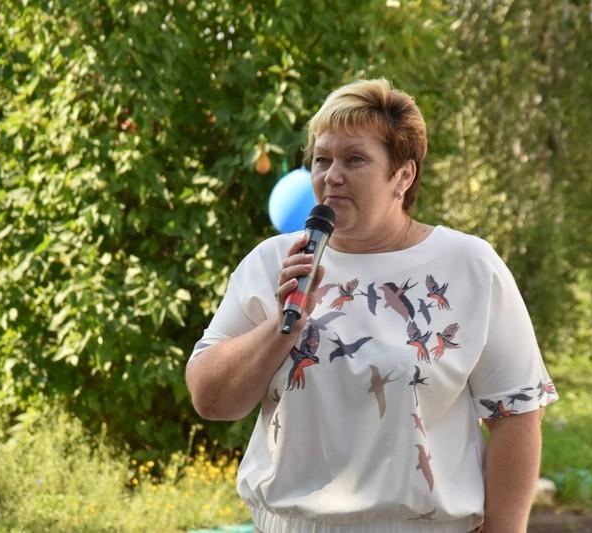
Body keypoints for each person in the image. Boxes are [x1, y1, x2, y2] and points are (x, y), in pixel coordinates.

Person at [185, 78, 558, 533]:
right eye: (322, 159)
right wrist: (283, 325)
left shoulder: (470, 266)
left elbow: (516, 414)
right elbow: (211, 400)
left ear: (403, 175)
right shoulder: (273, 262)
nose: (331, 175)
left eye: (355, 159)